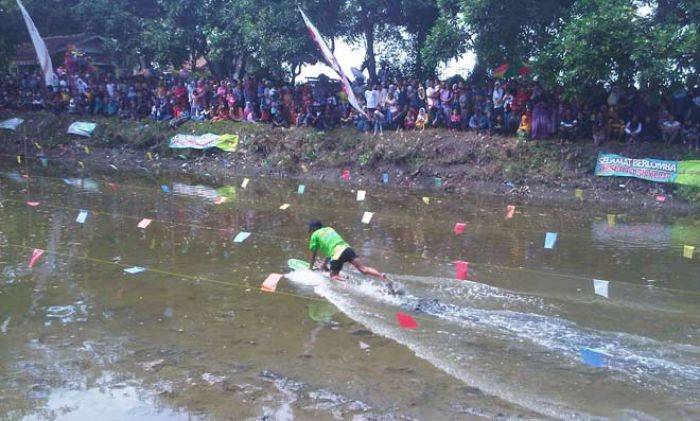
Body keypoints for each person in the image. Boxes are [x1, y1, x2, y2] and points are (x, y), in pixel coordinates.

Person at [307, 221, 398, 291]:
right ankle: (382, 276)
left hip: (338, 254)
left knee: (333, 276)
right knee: (364, 269)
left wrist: (310, 268)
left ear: (313, 229)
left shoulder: (315, 235)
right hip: (348, 249)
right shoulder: (329, 229)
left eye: (310, 230)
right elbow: (329, 252)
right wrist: (324, 265)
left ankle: (347, 281)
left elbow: (313, 253)